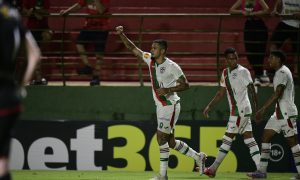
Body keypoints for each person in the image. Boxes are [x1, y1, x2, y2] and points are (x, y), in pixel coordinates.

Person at [115, 25, 207, 180]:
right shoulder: (150, 60)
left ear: (163, 51)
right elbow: (133, 48)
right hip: (161, 106)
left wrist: (168, 90)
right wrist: (121, 34)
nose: (152, 50)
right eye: (152, 47)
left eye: (155, 48)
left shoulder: (172, 66)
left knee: (160, 138)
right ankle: (199, 157)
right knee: (170, 142)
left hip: (170, 106)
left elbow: (186, 85)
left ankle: (163, 175)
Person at [203, 48, 260, 178]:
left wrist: (257, 110)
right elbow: (221, 93)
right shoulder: (225, 73)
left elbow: (252, 89)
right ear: (226, 60)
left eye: (235, 57)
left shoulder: (243, 71)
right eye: (230, 58)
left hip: (240, 111)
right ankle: (261, 169)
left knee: (228, 138)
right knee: (249, 138)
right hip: (239, 111)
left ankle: (212, 169)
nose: (233, 60)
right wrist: (209, 106)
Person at [0, 2, 40, 180]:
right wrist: (21, 86)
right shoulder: (13, 14)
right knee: (2, 159)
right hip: (10, 96)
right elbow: (35, 54)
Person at [247, 50, 300, 179]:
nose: (269, 60)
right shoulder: (280, 72)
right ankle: (262, 171)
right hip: (279, 114)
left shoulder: (282, 72)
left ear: (278, 59)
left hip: (286, 113)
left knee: (292, 142)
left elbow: (277, 94)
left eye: (271, 58)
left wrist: (263, 109)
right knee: (265, 137)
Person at [60, 0, 110, 86]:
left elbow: (101, 10)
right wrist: (67, 11)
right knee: (79, 43)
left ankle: (96, 78)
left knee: (98, 55)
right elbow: (79, 5)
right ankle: (88, 66)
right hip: (89, 27)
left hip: (101, 28)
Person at [230, 0, 270, 86]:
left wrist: (254, 14)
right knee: (249, 51)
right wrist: (242, 12)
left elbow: (267, 10)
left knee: (259, 51)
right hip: (249, 26)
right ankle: (260, 73)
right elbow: (231, 10)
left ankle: (258, 75)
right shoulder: (242, 0)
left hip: (259, 25)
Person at [23, 0, 52, 85]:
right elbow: (25, 12)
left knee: (38, 51)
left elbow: (45, 13)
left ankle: (38, 77)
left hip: (43, 28)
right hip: (31, 29)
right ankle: (37, 77)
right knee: (34, 54)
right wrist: (34, 12)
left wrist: (34, 10)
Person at [270, 0, 300, 77]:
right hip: (284, 22)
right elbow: (279, 1)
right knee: (273, 44)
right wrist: (275, 10)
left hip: (297, 25)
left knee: (297, 50)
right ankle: (275, 69)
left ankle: (296, 73)